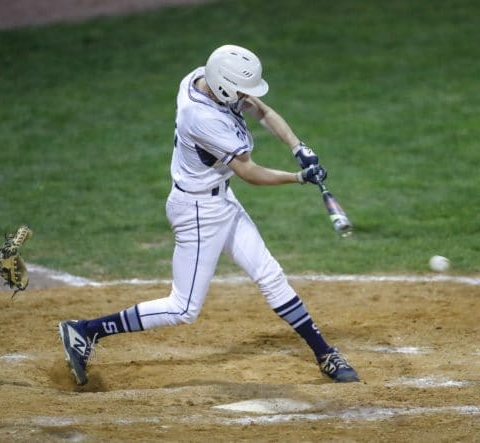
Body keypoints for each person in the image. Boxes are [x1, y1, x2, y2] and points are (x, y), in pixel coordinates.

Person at [58, 44, 359, 386]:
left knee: (270, 275)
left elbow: (260, 109)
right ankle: (86, 330)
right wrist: (298, 177)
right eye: (240, 90)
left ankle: (324, 353)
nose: (245, 96)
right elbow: (249, 172)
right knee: (183, 308)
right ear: (223, 86)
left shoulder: (203, 79)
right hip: (199, 212)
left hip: (221, 200)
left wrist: (297, 146)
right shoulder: (202, 118)